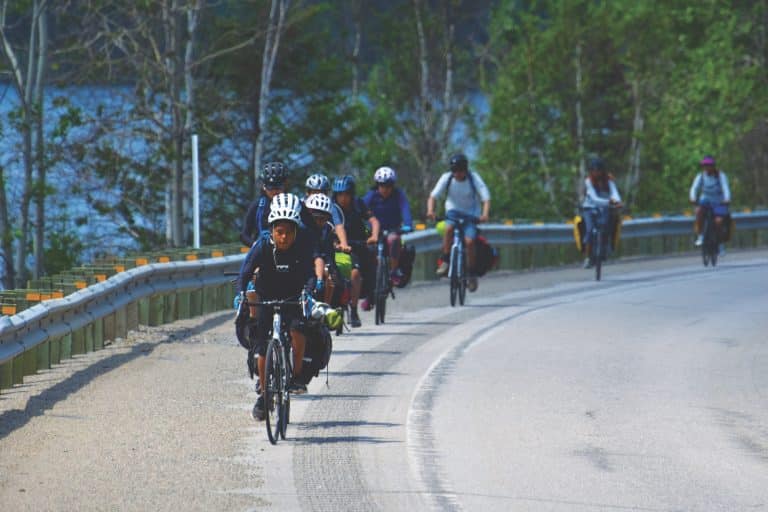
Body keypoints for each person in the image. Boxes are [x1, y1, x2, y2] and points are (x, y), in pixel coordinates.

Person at [237, 192, 319, 420]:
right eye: (279, 231)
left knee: (297, 331)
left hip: (293, 297)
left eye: (289, 232)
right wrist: (241, 295)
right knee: (262, 348)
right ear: (272, 230)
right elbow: (245, 273)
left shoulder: (302, 246)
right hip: (266, 297)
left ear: (296, 231)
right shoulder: (262, 245)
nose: (284, 237)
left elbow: (310, 275)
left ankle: (296, 377)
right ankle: (264, 396)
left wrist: (308, 292)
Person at [426, 153, 491, 292]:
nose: (457, 174)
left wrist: (485, 214)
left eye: (460, 171)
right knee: (448, 229)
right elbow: (433, 196)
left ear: (465, 170)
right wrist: (430, 210)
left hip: (471, 215)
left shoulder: (474, 178)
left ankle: (471, 273)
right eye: (455, 171)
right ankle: (445, 260)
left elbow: (485, 197)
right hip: (453, 212)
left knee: (469, 241)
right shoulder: (447, 178)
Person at [332, 175, 380, 327]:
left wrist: (374, 236)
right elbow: (337, 227)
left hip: (358, 245)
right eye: (340, 194)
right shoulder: (332, 207)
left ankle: (354, 310)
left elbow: (373, 221)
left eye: (346, 194)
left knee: (359, 271)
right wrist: (340, 244)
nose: (343, 198)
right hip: (337, 247)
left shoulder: (359, 204)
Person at [362, 166, 413, 286]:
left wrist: (408, 224)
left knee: (394, 240)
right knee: (366, 249)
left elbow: (405, 209)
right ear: (377, 185)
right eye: (382, 185)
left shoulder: (398, 195)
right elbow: (360, 208)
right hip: (374, 232)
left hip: (392, 230)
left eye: (388, 185)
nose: (385, 189)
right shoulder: (371, 196)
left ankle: (394, 271)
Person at [581, 157, 622, 268]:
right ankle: (588, 257)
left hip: (605, 208)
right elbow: (594, 199)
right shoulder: (588, 181)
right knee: (589, 230)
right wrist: (609, 202)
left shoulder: (609, 180)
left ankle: (605, 247)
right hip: (590, 208)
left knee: (606, 225)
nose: (596, 173)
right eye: (594, 170)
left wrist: (617, 201)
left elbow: (614, 193)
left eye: (598, 170)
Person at [689, 155, 731, 254]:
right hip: (705, 200)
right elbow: (694, 188)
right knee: (698, 212)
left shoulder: (720, 176)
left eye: (709, 165)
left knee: (718, 222)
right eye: (705, 166)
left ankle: (720, 244)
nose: (707, 168)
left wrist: (727, 199)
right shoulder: (700, 176)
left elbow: (725, 188)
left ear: (713, 166)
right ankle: (701, 236)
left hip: (719, 201)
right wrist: (693, 198)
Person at [240, 162, 288, 247]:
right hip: (265, 250)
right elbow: (244, 235)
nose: (274, 191)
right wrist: (256, 246)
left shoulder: (296, 204)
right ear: (264, 186)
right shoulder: (257, 206)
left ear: (285, 185)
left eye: (278, 186)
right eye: (270, 187)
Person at [302, 173, 351, 253]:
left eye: (322, 192)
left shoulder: (331, 206)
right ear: (307, 192)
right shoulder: (299, 205)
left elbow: (338, 226)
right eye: (315, 192)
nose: (318, 196)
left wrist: (344, 243)